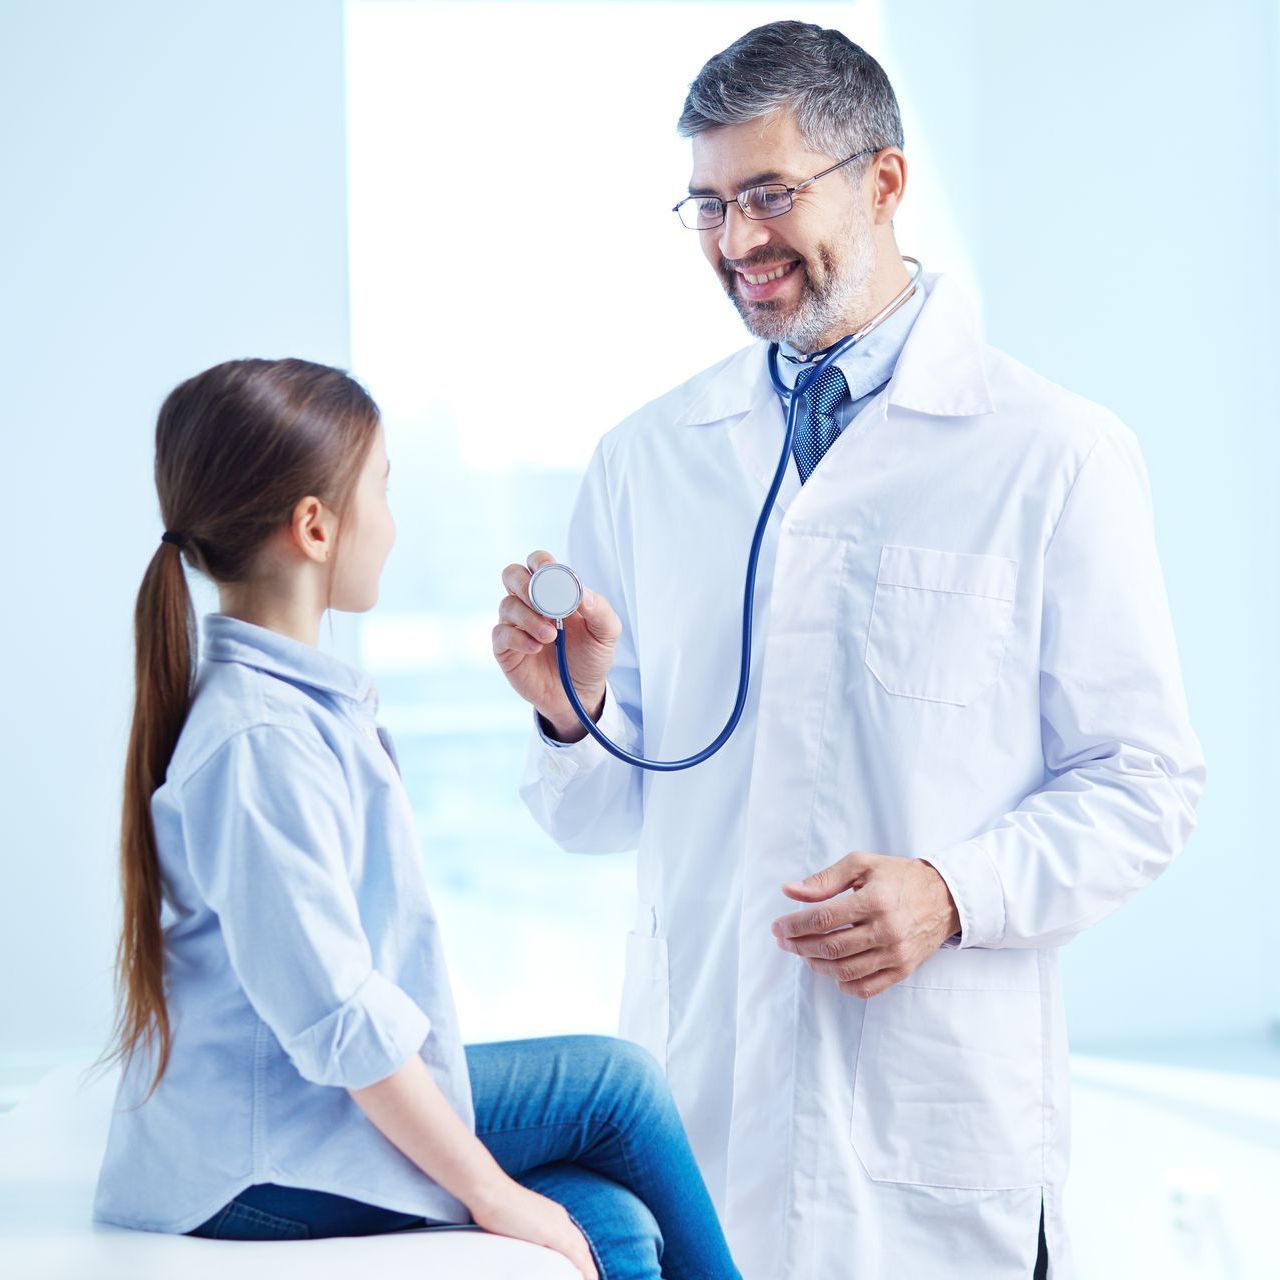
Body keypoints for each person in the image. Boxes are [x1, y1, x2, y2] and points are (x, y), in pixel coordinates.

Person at [493, 21, 1205, 1280]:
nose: (734, 242)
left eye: (769, 193)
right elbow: (602, 816)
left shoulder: (1048, 451)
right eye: (706, 204)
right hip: (696, 1119)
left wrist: (952, 890)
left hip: (931, 1131)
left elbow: (1144, 780)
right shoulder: (648, 457)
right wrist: (572, 707)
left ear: (882, 181)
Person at [92, 357, 741, 1280]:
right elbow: (341, 1021)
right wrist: (494, 1193)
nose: (394, 527)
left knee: (612, 1224)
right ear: (315, 526)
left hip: (285, 1122)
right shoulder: (260, 739)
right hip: (255, 1164)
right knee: (620, 1088)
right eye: (383, 492)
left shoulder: (290, 711)